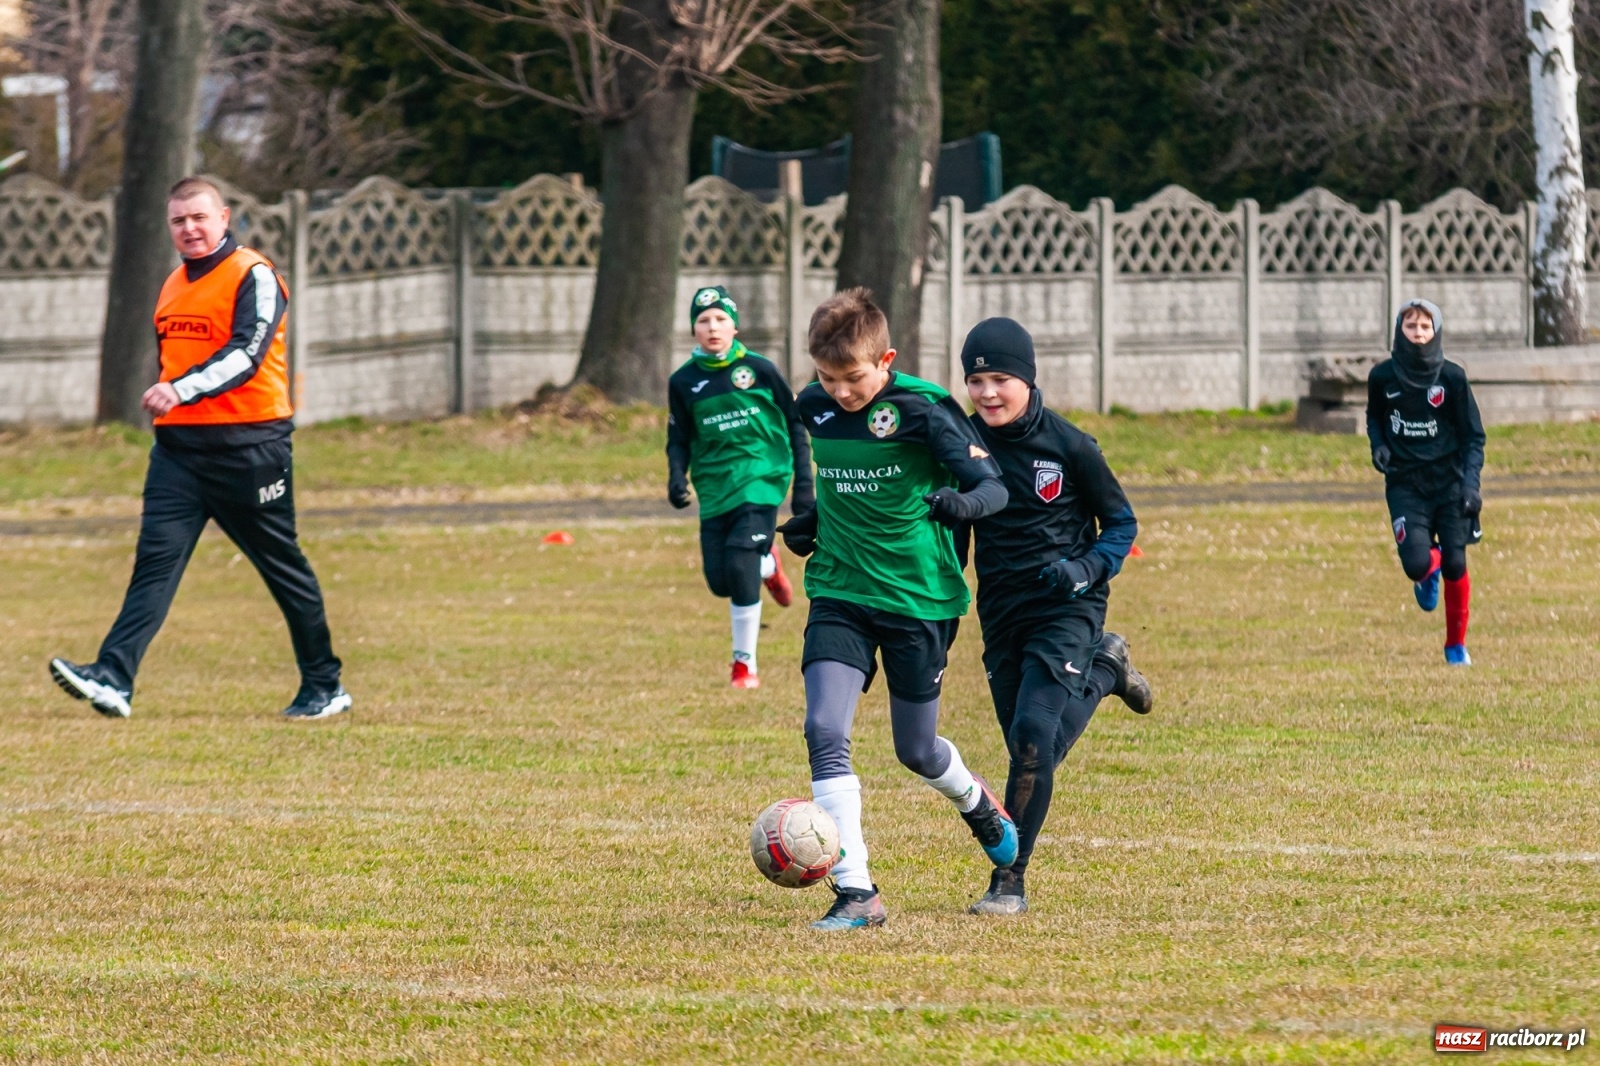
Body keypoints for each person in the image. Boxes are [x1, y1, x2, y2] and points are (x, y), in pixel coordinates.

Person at [49, 176, 349, 721]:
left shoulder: (254, 275)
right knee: (154, 564)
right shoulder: (171, 285)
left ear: (224, 217)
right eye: (178, 221)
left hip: (249, 450)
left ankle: (324, 686)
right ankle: (114, 677)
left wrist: (180, 388)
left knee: (281, 566)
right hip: (179, 453)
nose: (189, 229)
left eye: (199, 218)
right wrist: (175, 400)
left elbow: (247, 355)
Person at [777, 287, 1014, 931]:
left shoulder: (925, 409)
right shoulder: (813, 407)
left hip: (918, 599)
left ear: (885, 359)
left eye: (853, 378)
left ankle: (978, 804)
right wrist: (814, 520)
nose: (841, 392)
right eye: (827, 378)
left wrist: (961, 504)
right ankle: (857, 892)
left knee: (917, 750)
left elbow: (993, 488)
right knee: (825, 729)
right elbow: (848, 486)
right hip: (840, 591)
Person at [956, 318, 1152, 917]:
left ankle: (1008, 879)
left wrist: (1087, 569)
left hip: (1068, 607)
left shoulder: (1071, 447)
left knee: (1033, 737)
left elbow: (1122, 524)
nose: (988, 393)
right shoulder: (960, 444)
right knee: (1027, 740)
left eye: (1001, 379)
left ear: (1028, 379)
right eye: (976, 380)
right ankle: (1107, 670)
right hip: (1002, 613)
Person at [666, 286, 813, 689]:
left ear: (735, 326)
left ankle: (743, 666)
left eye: (720, 319)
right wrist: (677, 477)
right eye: (703, 320)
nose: (712, 327)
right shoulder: (683, 382)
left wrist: (804, 485)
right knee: (720, 580)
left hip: (761, 481)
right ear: (693, 329)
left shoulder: (761, 371)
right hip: (715, 488)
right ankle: (767, 563)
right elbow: (678, 437)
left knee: (738, 561)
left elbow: (796, 422)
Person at [1366, 299, 1485, 666]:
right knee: (1417, 563)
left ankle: (1455, 647)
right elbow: (1374, 417)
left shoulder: (1452, 378)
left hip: (1449, 486)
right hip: (1406, 486)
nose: (1418, 334)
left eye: (1425, 327)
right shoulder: (1383, 377)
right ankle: (1424, 572)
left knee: (1455, 564)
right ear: (1399, 331)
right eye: (1410, 327)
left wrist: (1470, 485)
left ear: (1436, 332)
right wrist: (1380, 446)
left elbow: (1473, 437)